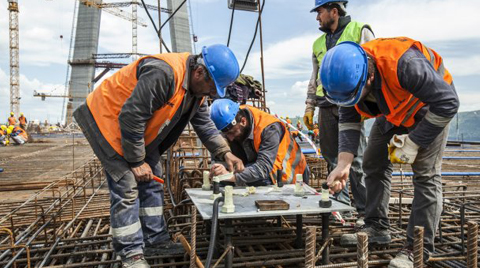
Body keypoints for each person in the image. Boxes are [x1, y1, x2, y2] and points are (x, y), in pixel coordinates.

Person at [73, 44, 245, 268]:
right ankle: (130, 253)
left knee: (154, 176)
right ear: (199, 72)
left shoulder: (197, 91)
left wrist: (225, 152)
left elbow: (204, 125)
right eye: (212, 88)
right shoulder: (164, 73)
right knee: (126, 185)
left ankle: (154, 239)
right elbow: (131, 116)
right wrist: (135, 161)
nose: (212, 94)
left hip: (139, 132)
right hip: (107, 122)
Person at [321, 38, 459, 267]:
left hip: (431, 109)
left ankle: (417, 249)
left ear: (370, 76)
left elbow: (448, 103)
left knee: (426, 176)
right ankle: (376, 227)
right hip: (394, 109)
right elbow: (349, 117)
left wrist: (414, 142)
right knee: (373, 161)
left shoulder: (405, 64)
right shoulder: (347, 76)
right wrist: (343, 164)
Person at [302, 0, 373, 226]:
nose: (317, 18)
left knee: (356, 159)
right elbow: (315, 78)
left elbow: (373, 65)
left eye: (320, 12)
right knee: (331, 157)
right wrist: (309, 106)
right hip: (325, 104)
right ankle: (341, 206)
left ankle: (364, 211)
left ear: (334, 11)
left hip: (351, 102)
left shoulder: (359, 30)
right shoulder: (318, 43)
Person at [209, 99, 309, 186]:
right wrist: (220, 168)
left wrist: (230, 177)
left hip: (289, 174)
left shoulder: (269, 128)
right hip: (258, 168)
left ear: (243, 121)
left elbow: (263, 168)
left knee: (249, 180)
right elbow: (218, 154)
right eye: (226, 134)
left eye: (232, 132)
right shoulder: (227, 122)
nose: (230, 138)